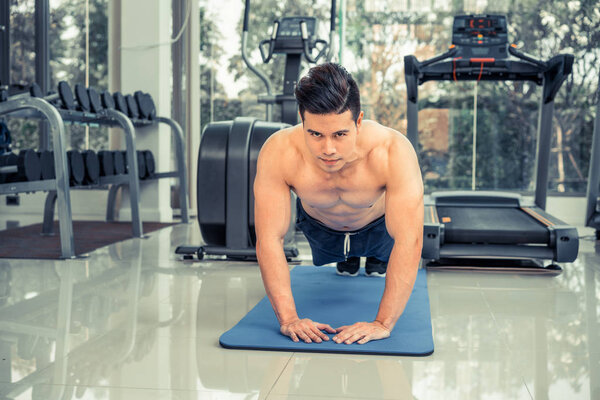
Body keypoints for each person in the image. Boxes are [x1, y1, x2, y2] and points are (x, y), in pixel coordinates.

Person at [253, 62, 423, 345]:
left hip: (378, 227)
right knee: (344, 264)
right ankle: (349, 257)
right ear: (302, 120)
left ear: (358, 122)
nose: (328, 149)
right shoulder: (279, 151)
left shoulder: (392, 150)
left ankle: (367, 257)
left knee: (381, 262)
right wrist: (289, 319)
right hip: (320, 229)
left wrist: (383, 323)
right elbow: (269, 238)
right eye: (316, 134)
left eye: (340, 134)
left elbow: (409, 240)